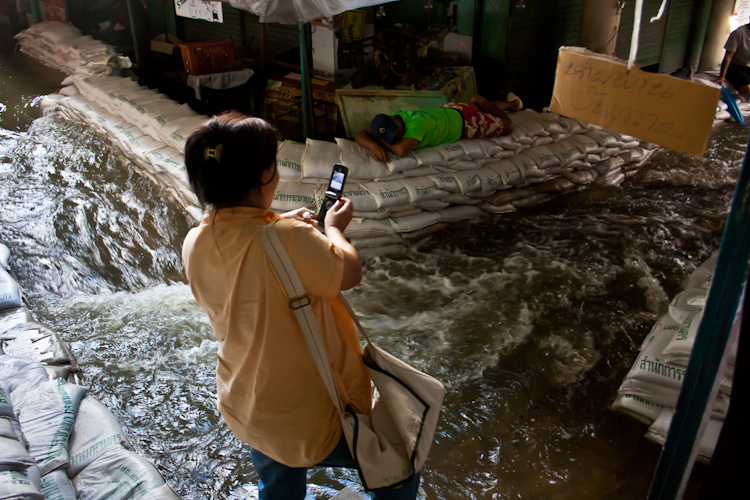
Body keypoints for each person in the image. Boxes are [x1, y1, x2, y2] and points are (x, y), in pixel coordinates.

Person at [180, 111, 420, 500]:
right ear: (263, 177)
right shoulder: (287, 238)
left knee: (279, 479)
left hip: (248, 399)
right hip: (305, 410)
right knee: (399, 465)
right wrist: (333, 230)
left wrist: (276, 223)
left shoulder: (196, 240)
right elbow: (350, 273)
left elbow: (247, 251)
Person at [355, 93, 523, 161]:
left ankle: (482, 101)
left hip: (467, 122)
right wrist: (374, 144)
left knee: (509, 127)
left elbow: (401, 151)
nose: (396, 138)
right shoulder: (393, 120)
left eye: (395, 134)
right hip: (452, 110)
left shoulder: (416, 124)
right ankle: (510, 104)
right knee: (482, 112)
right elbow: (359, 134)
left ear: (396, 121)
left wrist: (379, 140)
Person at [718, 20, 750, 98]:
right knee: (747, 89)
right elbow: (728, 56)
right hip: (735, 68)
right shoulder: (739, 33)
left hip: (748, 69)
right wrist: (721, 77)